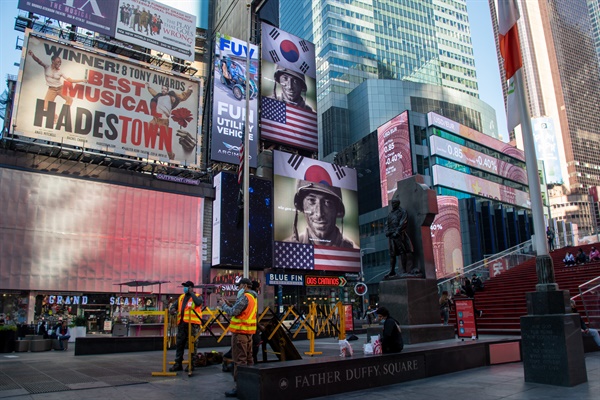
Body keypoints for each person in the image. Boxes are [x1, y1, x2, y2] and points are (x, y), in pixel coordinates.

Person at [288, 173, 357, 248]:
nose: (319, 214)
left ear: (337, 209)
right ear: (302, 206)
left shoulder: (352, 250)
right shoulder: (287, 249)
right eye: (311, 200)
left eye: (327, 202)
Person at [219, 277, 258, 398]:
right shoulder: (253, 298)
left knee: (239, 361)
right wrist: (231, 304)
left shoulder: (245, 297)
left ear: (245, 286)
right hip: (248, 334)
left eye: (239, 286)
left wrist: (223, 306)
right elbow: (242, 311)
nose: (238, 288)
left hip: (240, 334)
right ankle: (251, 384)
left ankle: (239, 387)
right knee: (249, 359)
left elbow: (234, 312)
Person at [146, 83, 195, 159]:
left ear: (167, 90)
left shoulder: (171, 96)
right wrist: (149, 87)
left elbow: (182, 97)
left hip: (164, 120)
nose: (163, 90)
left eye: (165, 89)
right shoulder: (159, 96)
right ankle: (160, 134)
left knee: (166, 141)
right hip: (155, 118)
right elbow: (154, 93)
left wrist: (189, 90)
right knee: (148, 128)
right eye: (162, 89)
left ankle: (171, 155)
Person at [169, 281, 203, 372]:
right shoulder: (181, 297)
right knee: (180, 344)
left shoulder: (197, 296)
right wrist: (172, 310)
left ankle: (191, 364)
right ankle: (178, 364)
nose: (184, 288)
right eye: (184, 287)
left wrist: (192, 293)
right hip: (182, 324)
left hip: (193, 325)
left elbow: (198, 303)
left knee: (192, 345)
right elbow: (173, 306)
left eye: (186, 287)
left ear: (191, 287)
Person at [385, 198, 414, 277]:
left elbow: (403, 222)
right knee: (392, 254)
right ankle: (392, 271)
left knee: (402, 251)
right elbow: (386, 223)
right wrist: (387, 232)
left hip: (399, 235)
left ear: (398, 204)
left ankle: (404, 270)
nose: (393, 204)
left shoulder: (402, 212)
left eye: (394, 203)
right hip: (391, 235)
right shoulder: (390, 214)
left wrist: (397, 232)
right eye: (392, 203)